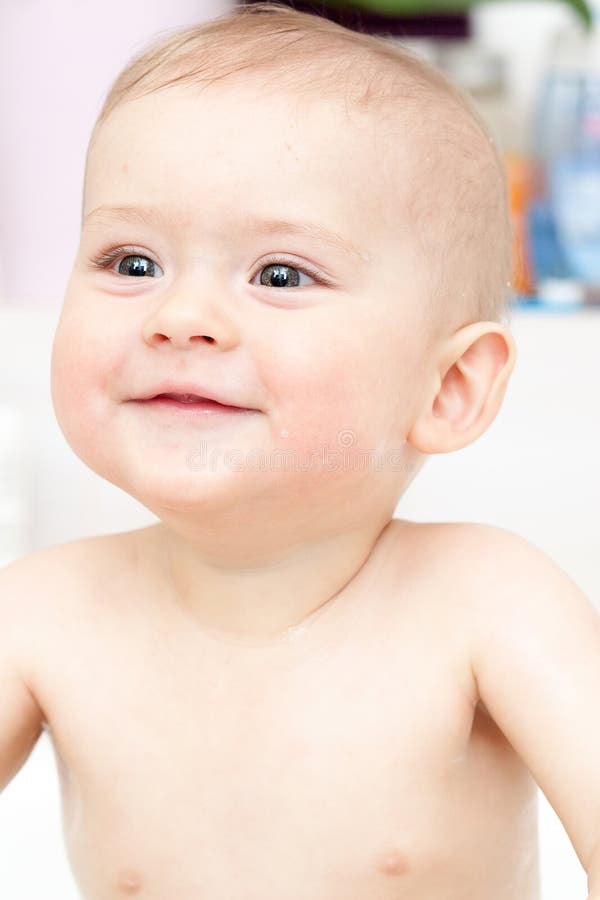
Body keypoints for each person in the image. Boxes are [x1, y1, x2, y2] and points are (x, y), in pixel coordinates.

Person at [2, 3, 599, 898]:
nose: (181, 318)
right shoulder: (40, 617)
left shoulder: (489, 607)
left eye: (280, 275)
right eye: (132, 262)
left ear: (448, 390)